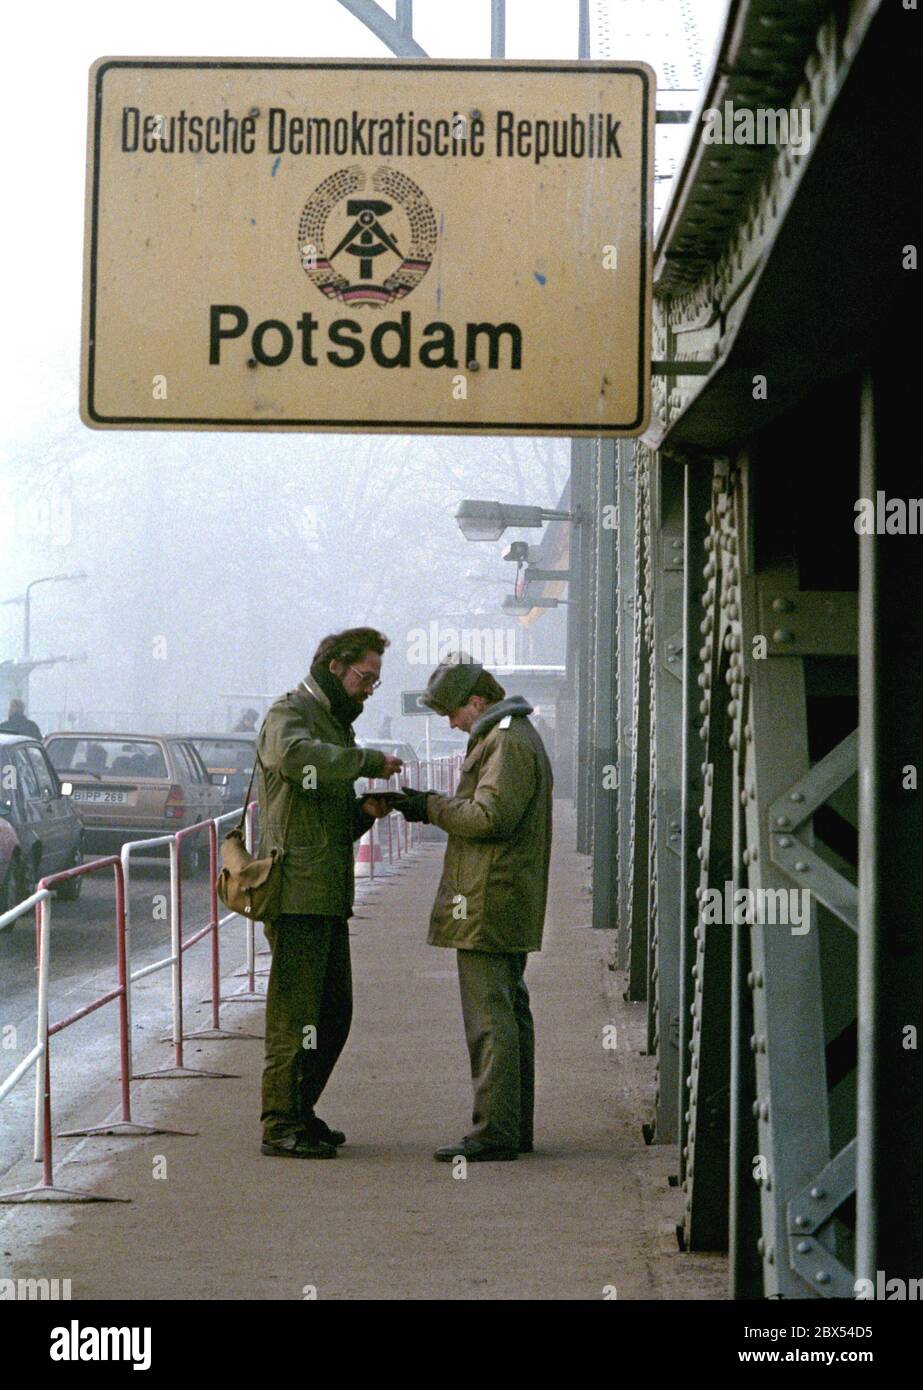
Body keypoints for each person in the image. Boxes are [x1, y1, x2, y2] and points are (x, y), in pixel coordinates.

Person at [397, 653, 553, 1162]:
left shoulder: (505, 741)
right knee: (508, 1011)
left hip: (489, 898)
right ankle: (510, 1125)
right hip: (502, 895)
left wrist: (430, 807)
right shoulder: (510, 734)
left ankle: (495, 1132)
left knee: (490, 1017)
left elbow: (489, 817)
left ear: (477, 701)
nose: (450, 722)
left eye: (452, 712)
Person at [257, 627, 402, 1159]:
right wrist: (364, 762)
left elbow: (327, 818)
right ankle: (279, 1124)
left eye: (375, 682)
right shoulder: (290, 714)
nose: (368, 690)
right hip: (296, 891)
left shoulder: (333, 724)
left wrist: (362, 812)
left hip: (324, 891)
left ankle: (300, 1109)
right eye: (366, 677)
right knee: (295, 1015)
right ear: (337, 666)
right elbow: (298, 761)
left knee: (332, 1013)